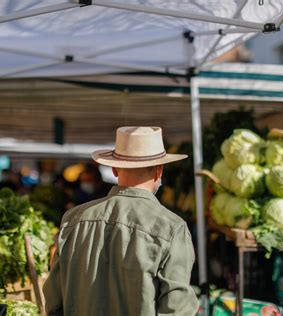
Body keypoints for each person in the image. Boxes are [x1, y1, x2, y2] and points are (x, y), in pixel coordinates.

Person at [43, 127, 199, 315]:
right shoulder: (172, 227)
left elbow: (53, 299)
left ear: (115, 169)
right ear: (159, 171)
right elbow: (177, 309)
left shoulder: (73, 219)